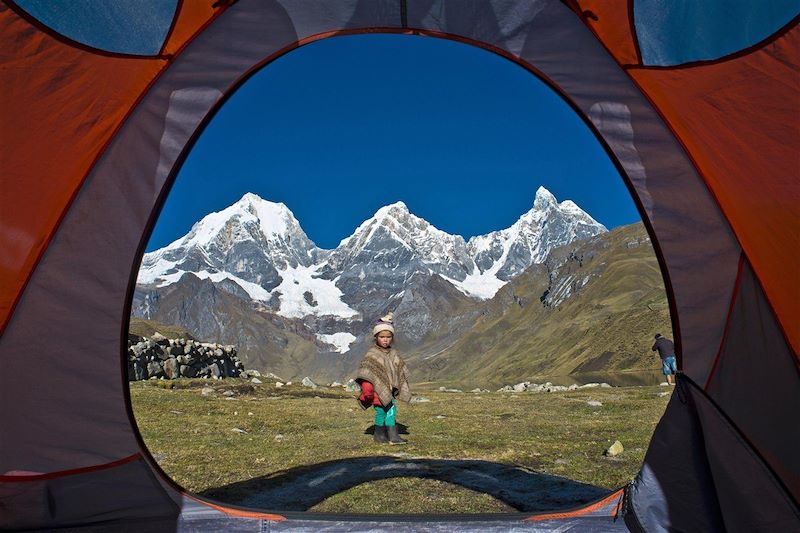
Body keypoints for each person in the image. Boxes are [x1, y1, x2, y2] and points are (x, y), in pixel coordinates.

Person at [355, 312, 411, 445]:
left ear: (392, 337)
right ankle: (379, 435)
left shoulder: (392, 353)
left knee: (391, 410)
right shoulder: (372, 355)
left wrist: (400, 385)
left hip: (389, 392)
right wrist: (367, 392)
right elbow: (367, 374)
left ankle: (393, 435)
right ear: (376, 337)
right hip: (376, 393)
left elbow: (398, 369)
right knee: (381, 413)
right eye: (382, 337)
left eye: (388, 337)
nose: (385, 340)